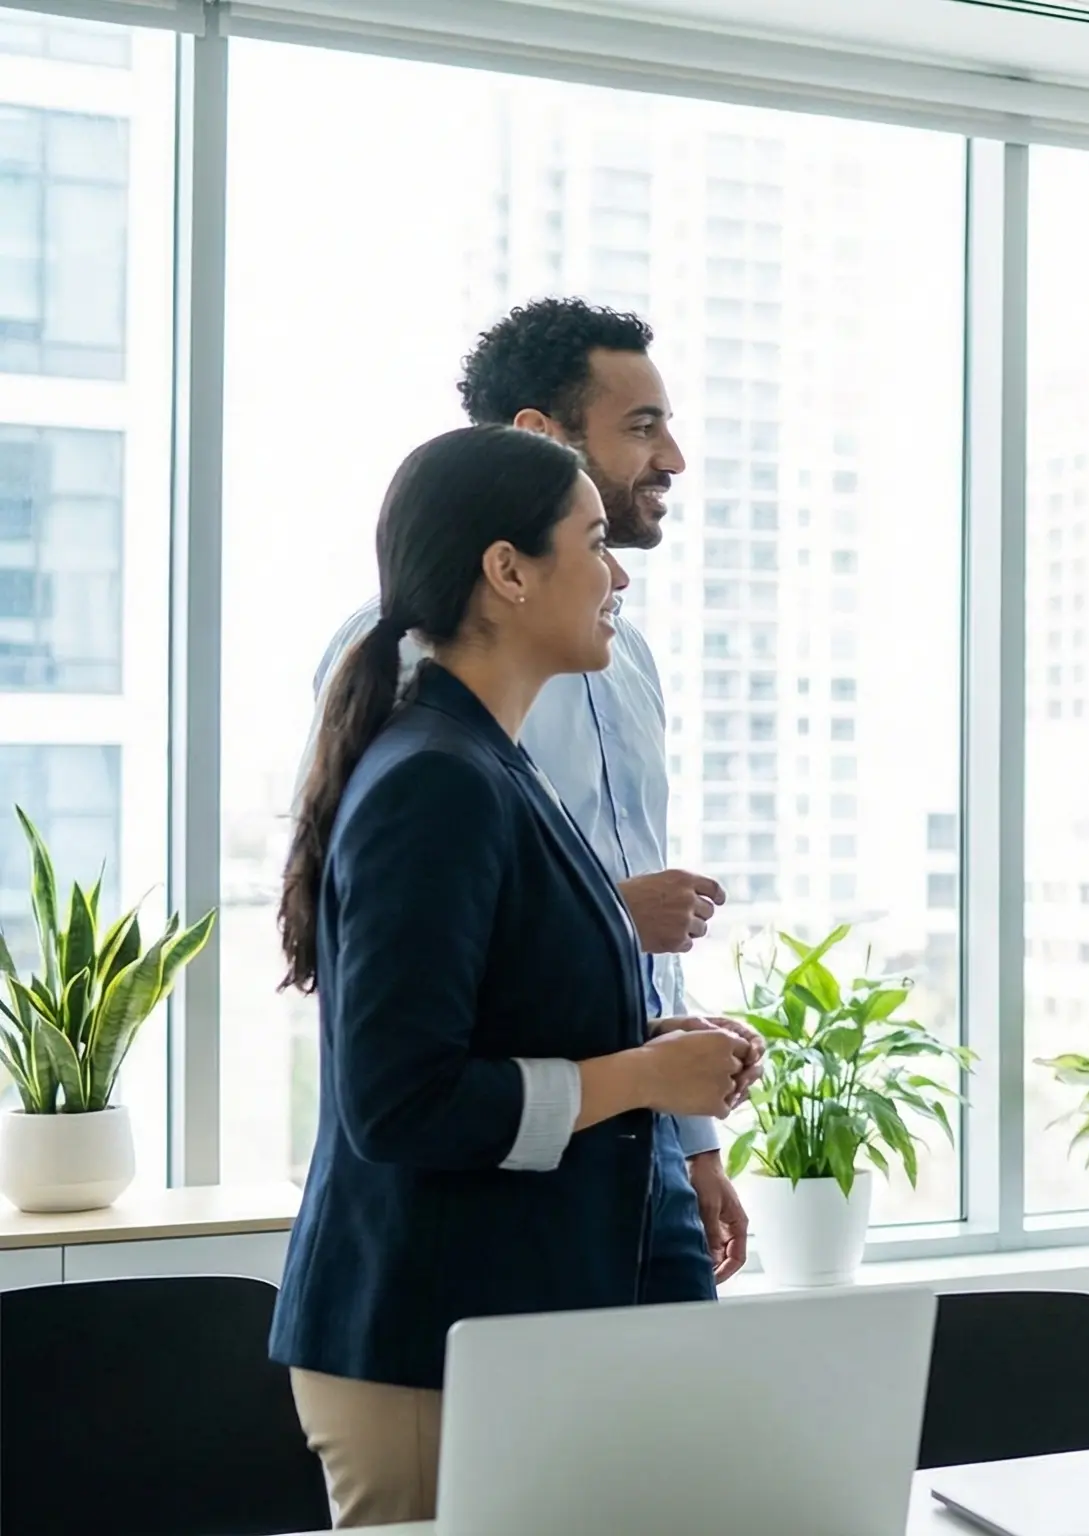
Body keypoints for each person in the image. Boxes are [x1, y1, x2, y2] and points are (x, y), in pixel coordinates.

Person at [269, 426, 760, 1527]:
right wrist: (641, 1079)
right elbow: (403, 1101)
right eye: (593, 542)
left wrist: (670, 1060)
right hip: (423, 1346)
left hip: (494, 1326)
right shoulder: (435, 780)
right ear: (506, 572)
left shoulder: (487, 764)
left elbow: (517, 1010)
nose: (617, 572)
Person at [304, 299, 755, 1280]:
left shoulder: (621, 655)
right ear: (537, 440)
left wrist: (691, 1141)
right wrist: (603, 916)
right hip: (498, 1186)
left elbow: (641, 960)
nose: (672, 458)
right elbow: (394, 973)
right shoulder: (407, 677)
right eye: (641, 428)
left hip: (640, 1158)